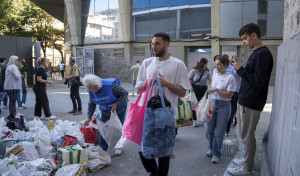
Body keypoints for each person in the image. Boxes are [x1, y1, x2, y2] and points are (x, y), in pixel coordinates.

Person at [136, 32, 190, 176]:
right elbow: (138, 88)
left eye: (157, 43)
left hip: (166, 113)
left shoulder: (178, 64)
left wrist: (166, 84)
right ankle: (153, 171)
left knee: (164, 150)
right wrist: (148, 83)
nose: (154, 47)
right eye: (152, 44)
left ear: (167, 44)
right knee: (142, 146)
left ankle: (161, 173)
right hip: (146, 112)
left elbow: (183, 92)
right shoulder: (147, 63)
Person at [228, 23, 273, 175]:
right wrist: (239, 68)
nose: (244, 42)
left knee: (247, 136)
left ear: (254, 35)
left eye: (245, 38)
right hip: (245, 100)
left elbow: (258, 81)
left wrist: (240, 69)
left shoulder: (263, 54)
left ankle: (247, 168)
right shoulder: (256, 53)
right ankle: (247, 160)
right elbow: (251, 77)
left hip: (251, 102)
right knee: (243, 134)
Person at [83, 74, 128, 156]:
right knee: (103, 128)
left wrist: (116, 104)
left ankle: (119, 147)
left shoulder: (110, 86)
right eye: (88, 87)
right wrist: (89, 117)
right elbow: (92, 103)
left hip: (119, 109)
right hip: (105, 110)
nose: (89, 89)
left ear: (96, 86)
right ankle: (103, 147)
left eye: (90, 88)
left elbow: (124, 93)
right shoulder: (90, 90)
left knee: (118, 128)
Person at [206, 54, 236, 164]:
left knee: (219, 133)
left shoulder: (230, 78)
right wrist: (211, 90)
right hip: (213, 104)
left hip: (224, 106)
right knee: (209, 129)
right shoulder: (214, 74)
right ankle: (211, 148)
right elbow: (213, 87)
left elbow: (229, 95)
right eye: (216, 65)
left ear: (226, 65)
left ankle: (216, 154)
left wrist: (216, 90)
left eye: (219, 65)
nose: (217, 67)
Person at [188, 57, 211, 127]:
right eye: (205, 65)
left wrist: (211, 87)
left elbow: (211, 80)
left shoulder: (207, 72)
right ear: (201, 64)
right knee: (195, 104)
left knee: (203, 104)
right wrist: (191, 87)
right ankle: (194, 120)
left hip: (204, 88)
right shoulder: (194, 71)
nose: (206, 66)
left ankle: (201, 119)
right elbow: (189, 79)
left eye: (206, 65)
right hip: (195, 88)